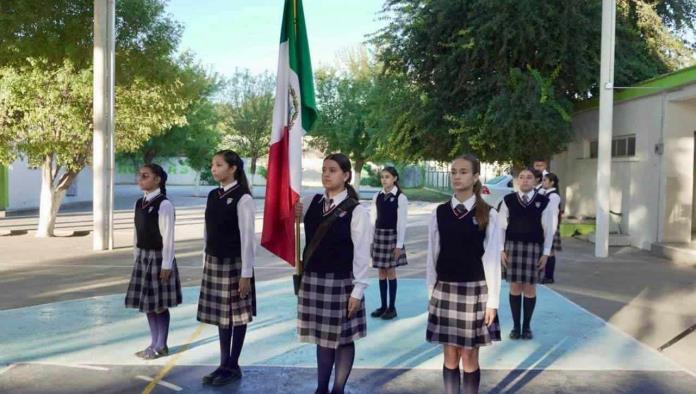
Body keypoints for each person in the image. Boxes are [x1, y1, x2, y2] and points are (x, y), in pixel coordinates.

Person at [426, 154, 501, 394]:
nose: (457, 176)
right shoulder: (439, 213)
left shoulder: (489, 214)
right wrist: (432, 292)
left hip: (475, 291)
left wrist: (493, 302)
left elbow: (491, 260)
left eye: (463, 172)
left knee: (469, 354)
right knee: (450, 353)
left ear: (476, 176)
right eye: (454, 172)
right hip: (445, 289)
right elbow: (432, 255)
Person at [295, 153, 370, 394]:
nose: (326, 174)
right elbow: (288, 219)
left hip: (342, 283)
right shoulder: (310, 202)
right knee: (323, 338)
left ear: (346, 176)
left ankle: (338, 388)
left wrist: (358, 291)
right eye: (324, 169)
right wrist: (293, 210)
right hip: (314, 279)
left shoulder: (357, 211)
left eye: (333, 170)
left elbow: (361, 255)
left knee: (343, 339)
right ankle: (321, 388)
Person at [197, 150, 256, 386]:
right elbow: (207, 231)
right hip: (214, 262)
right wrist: (205, 260)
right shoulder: (213, 195)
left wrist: (246, 274)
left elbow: (248, 239)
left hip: (235, 264)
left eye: (219, 165)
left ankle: (233, 365)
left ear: (232, 168)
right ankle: (224, 363)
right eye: (212, 165)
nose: (214, 169)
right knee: (223, 317)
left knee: (237, 316)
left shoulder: (243, 198)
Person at [126, 164, 182, 360]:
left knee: (159, 304)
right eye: (139, 175)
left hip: (159, 259)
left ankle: (161, 345)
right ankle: (153, 342)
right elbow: (136, 233)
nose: (140, 179)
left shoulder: (164, 204)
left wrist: (167, 264)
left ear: (157, 179)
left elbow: (168, 237)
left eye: (145, 176)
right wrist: (136, 256)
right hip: (143, 258)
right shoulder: (138, 203)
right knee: (148, 304)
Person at [499, 168, 557, 340]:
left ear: (535, 181)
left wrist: (546, 253)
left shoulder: (544, 201)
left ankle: (527, 327)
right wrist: (501, 249)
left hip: (534, 249)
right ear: (517, 181)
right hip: (512, 248)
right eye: (521, 177)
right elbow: (501, 227)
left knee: (530, 289)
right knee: (515, 287)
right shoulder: (508, 200)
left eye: (529, 177)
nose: (525, 180)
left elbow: (549, 230)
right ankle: (516, 327)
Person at [370, 166, 408, 320]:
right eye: (382, 177)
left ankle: (392, 308)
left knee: (391, 271)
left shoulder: (400, 198)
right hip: (379, 237)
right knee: (381, 272)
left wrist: (399, 245)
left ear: (394, 179)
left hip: (392, 237)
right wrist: (371, 240)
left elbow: (402, 223)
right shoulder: (376, 196)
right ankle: (383, 306)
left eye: (387, 177)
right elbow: (373, 219)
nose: (384, 179)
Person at [541, 173, 563, 284]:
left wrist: (552, 229)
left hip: (550, 227)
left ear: (552, 182)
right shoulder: (545, 193)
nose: (543, 182)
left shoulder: (554, 196)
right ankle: (545, 275)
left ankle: (549, 276)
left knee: (549, 252)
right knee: (546, 251)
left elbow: (553, 214)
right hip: (545, 226)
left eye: (545, 180)